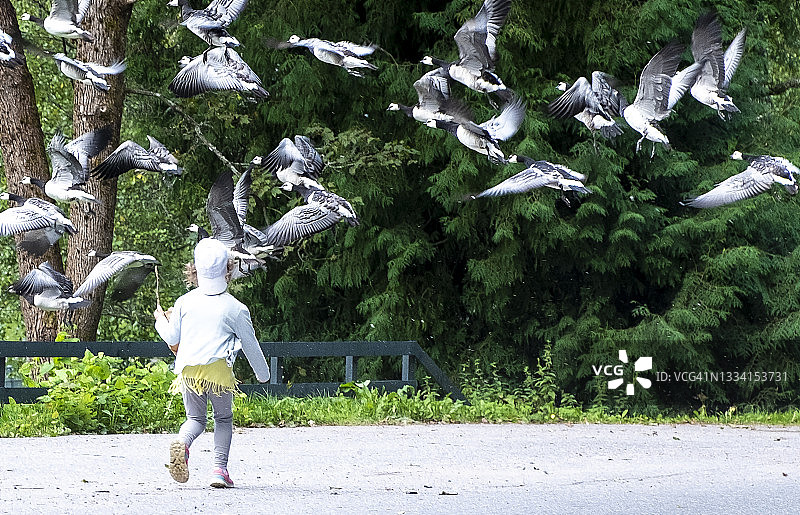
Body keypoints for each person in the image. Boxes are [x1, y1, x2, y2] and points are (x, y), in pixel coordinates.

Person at [154, 238, 270, 488]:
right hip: (218, 371)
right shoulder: (236, 308)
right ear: (229, 269)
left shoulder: (185, 302)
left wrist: (159, 322)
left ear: (194, 270)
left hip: (188, 369)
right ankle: (219, 471)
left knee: (195, 420)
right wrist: (263, 375)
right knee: (223, 419)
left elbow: (172, 337)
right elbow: (251, 346)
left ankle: (183, 444)